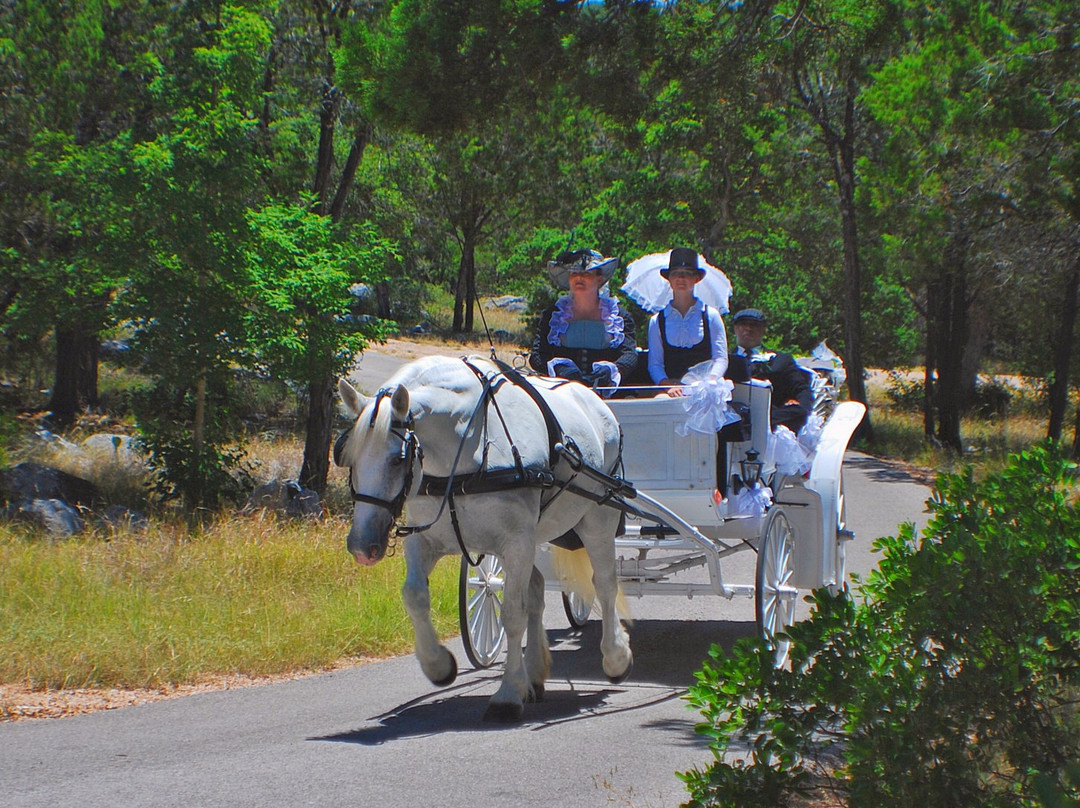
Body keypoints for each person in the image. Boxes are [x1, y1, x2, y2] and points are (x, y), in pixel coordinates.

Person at [529, 249, 637, 394]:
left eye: (586, 273)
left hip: (605, 395)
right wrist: (558, 369)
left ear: (599, 279)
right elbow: (537, 356)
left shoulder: (618, 316)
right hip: (562, 394)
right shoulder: (554, 315)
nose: (579, 278)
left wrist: (610, 371)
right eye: (574, 273)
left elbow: (629, 354)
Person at [646, 247, 729, 396]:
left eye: (687, 274)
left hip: (704, 391)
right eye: (676, 274)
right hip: (671, 392)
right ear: (669, 279)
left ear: (696, 279)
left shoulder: (711, 316)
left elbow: (720, 358)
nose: (681, 279)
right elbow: (655, 364)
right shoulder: (657, 321)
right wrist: (667, 385)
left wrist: (710, 381)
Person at [731, 308, 814, 432]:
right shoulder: (723, 361)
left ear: (763, 329)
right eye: (743, 324)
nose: (748, 329)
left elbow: (802, 389)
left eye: (754, 325)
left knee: (799, 412)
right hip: (731, 417)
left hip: (771, 419)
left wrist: (799, 404)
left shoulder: (780, 360)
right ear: (735, 328)